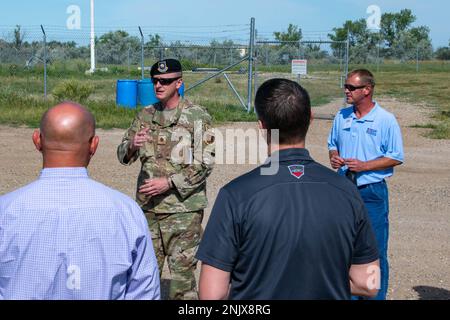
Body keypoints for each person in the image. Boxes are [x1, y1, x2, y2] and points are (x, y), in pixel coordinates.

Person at [196, 78, 380, 300]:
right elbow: (369, 284)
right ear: (310, 119)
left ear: (262, 127)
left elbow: (211, 294)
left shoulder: (235, 195)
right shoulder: (347, 191)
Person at [0, 102, 160, 300]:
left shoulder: (6, 211)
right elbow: (144, 292)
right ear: (94, 144)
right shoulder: (126, 212)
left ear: (37, 140)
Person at [117, 58, 215, 300]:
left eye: (165, 81)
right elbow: (122, 156)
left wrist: (169, 182)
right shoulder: (145, 114)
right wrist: (132, 144)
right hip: (148, 210)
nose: (159, 85)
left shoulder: (196, 116)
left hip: (182, 212)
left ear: (179, 83)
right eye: (155, 81)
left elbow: (205, 163)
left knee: (182, 282)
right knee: (144, 277)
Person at [328, 69, 404, 300]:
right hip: (343, 191)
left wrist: (365, 166)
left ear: (367, 90)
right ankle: (349, 294)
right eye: (346, 86)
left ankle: (374, 296)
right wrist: (334, 156)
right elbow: (333, 144)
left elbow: (396, 156)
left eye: (351, 87)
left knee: (375, 250)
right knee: (344, 248)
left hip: (371, 192)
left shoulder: (385, 120)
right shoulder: (342, 116)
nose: (346, 91)